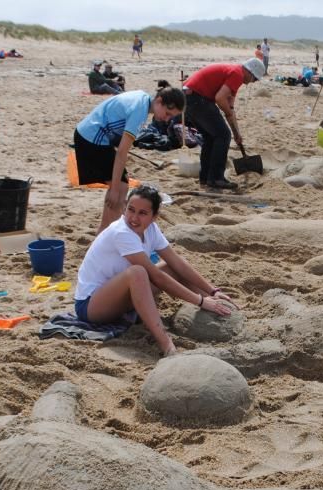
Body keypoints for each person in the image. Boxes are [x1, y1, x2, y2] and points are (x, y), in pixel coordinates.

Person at [73, 185, 236, 357]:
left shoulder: (151, 229)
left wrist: (211, 290)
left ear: (154, 217)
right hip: (91, 306)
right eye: (131, 210)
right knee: (138, 272)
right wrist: (200, 301)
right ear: (125, 208)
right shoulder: (121, 232)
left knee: (169, 267)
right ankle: (167, 345)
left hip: (119, 298)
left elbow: (177, 263)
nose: (134, 218)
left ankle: (216, 304)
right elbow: (157, 277)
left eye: (143, 213)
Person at [74, 83, 184, 232]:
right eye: (168, 114)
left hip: (91, 133)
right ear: (159, 101)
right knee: (119, 187)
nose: (167, 119)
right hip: (92, 137)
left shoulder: (143, 98)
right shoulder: (139, 112)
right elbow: (122, 152)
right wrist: (114, 189)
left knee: (121, 186)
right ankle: (108, 235)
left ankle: (105, 232)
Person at [183, 58, 265, 190]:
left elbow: (230, 110)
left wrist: (237, 133)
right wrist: (227, 114)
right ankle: (216, 178)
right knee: (223, 136)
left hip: (189, 98)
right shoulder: (237, 74)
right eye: (254, 79)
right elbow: (220, 99)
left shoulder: (234, 74)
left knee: (210, 138)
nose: (251, 83)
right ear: (250, 72)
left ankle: (205, 178)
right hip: (197, 98)